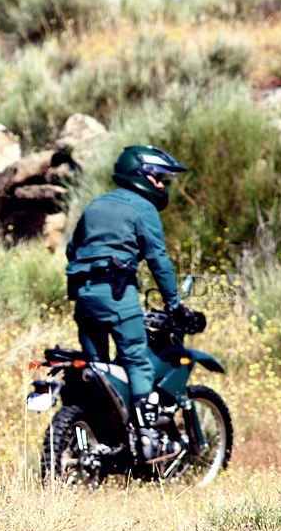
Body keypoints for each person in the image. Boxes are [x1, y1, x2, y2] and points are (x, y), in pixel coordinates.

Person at [65, 145, 198, 461]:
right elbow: (159, 261)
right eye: (159, 179)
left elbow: (72, 250)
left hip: (83, 298)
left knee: (100, 372)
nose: (163, 185)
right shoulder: (142, 208)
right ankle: (146, 439)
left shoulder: (94, 206)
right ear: (141, 176)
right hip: (117, 294)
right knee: (135, 361)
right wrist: (175, 305)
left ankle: (103, 441)